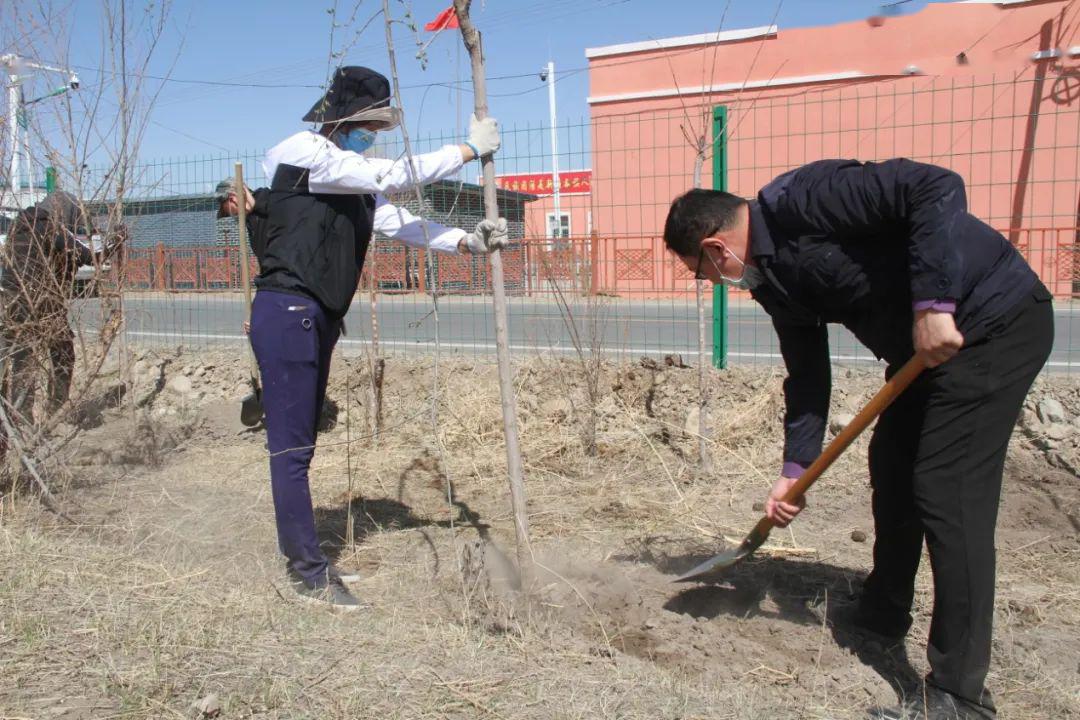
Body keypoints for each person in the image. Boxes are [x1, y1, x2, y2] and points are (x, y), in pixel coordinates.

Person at [662, 158, 1053, 720]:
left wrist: (933, 304)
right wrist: (796, 468)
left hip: (993, 322)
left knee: (947, 492)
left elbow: (935, 187)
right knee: (892, 467)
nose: (714, 284)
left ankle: (961, 697)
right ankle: (882, 614)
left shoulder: (806, 197)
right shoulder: (775, 285)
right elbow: (808, 375)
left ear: (717, 248)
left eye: (702, 272)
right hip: (921, 358)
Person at [221, 66, 508, 612]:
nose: (371, 135)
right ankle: (308, 572)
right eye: (367, 125)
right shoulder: (306, 153)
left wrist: (466, 242)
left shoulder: (347, 178)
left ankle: (310, 555)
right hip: (287, 310)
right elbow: (389, 178)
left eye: (377, 127)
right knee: (291, 449)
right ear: (341, 120)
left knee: (301, 443)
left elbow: (400, 220)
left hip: (317, 316)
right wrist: (467, 151)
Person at [1, 192, 108, 427]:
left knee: (23, 364)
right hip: (41, 304)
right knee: (62, 354)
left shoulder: (20, 225)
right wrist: (116, 239)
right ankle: (55, 412)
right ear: (63, 212)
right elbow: (91, 257)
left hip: (11, 303)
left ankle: (20, 421)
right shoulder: (48, 228)